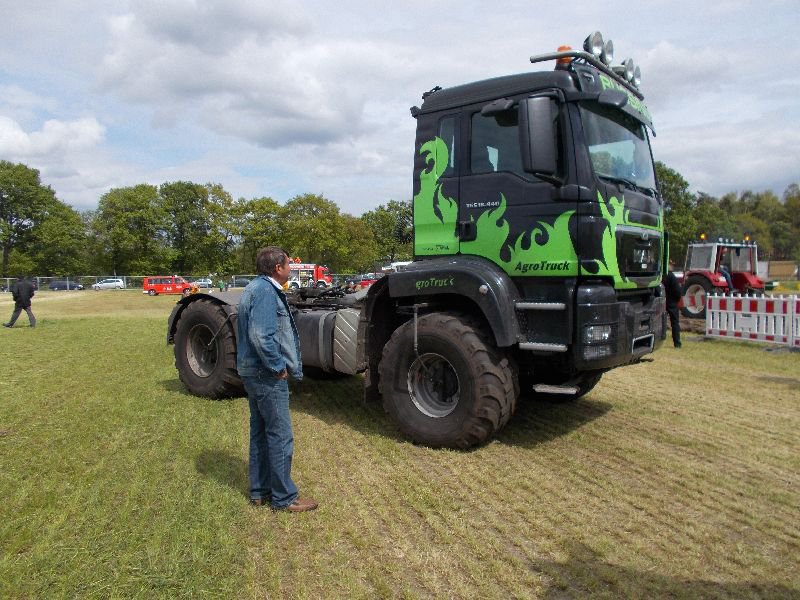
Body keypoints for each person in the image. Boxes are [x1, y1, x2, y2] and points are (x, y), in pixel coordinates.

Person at [236, 246, 318, 513]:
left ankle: (259, 491)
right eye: (288, 265)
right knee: (280, 435)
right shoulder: (265, 292)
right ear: (277, 268)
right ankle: (284, 498)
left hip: (252, 372)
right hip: (265, 374)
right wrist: (277, 366)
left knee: (260, 432)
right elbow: (261, 336)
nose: (290, 269)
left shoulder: (253, 288)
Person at [664, 260, 682, 348]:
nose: (672, 266)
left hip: (661, 301)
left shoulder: (660, 275)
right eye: (671, 265)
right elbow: (678, 291)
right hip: (672, 302)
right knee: (675, 323)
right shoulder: (671, 276)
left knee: (661, 322)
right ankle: (677, 343)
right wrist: (677, 299)